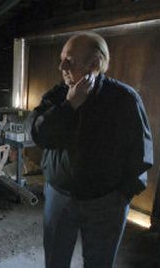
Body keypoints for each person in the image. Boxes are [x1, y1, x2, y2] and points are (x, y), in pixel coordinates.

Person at [27, 32, 153, 267]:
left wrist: (122, 195)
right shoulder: (58, 96)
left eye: (70, 60)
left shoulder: (124, 99)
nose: (61, 66)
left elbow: (141, 150)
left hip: (106, 203)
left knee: (99, 262)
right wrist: (70, 105)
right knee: (55, 260)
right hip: (60, 197)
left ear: (94, 63)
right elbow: (39, 135)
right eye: (62, 58)